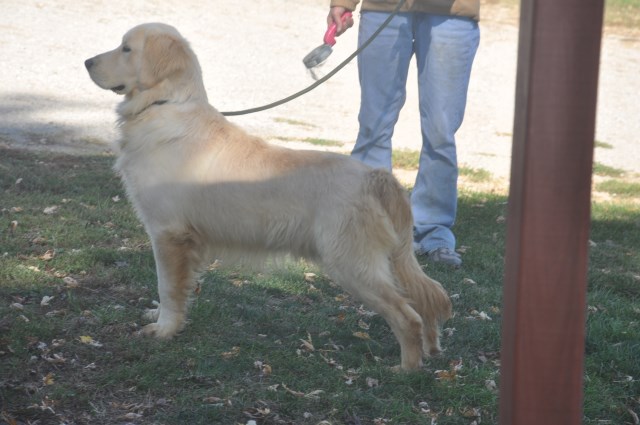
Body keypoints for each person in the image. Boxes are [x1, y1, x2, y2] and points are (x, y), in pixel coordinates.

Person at [327, 0, 480, 267]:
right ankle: (367, 226)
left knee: (441, 132)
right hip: (383, 8)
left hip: (451, 14)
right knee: (374, 126)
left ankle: (433, 232)